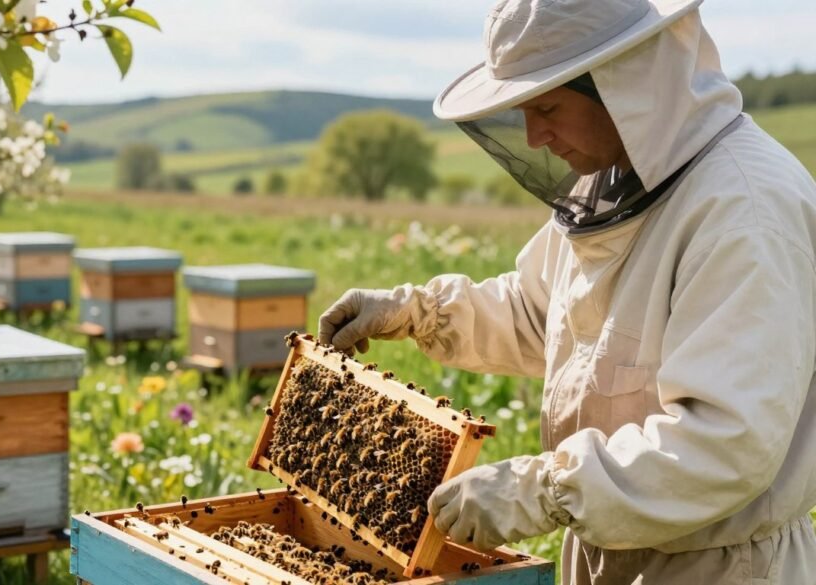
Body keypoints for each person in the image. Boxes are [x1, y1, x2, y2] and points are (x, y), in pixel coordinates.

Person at [317, 0, 816, 583]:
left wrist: (541, 490)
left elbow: (724, 444)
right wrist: (416, 311)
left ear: (626, 83)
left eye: (548, 106)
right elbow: (543, 315)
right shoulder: (615, 181)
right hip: (605, 549)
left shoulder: (744, 213)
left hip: (718, 568)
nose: (534, 135)